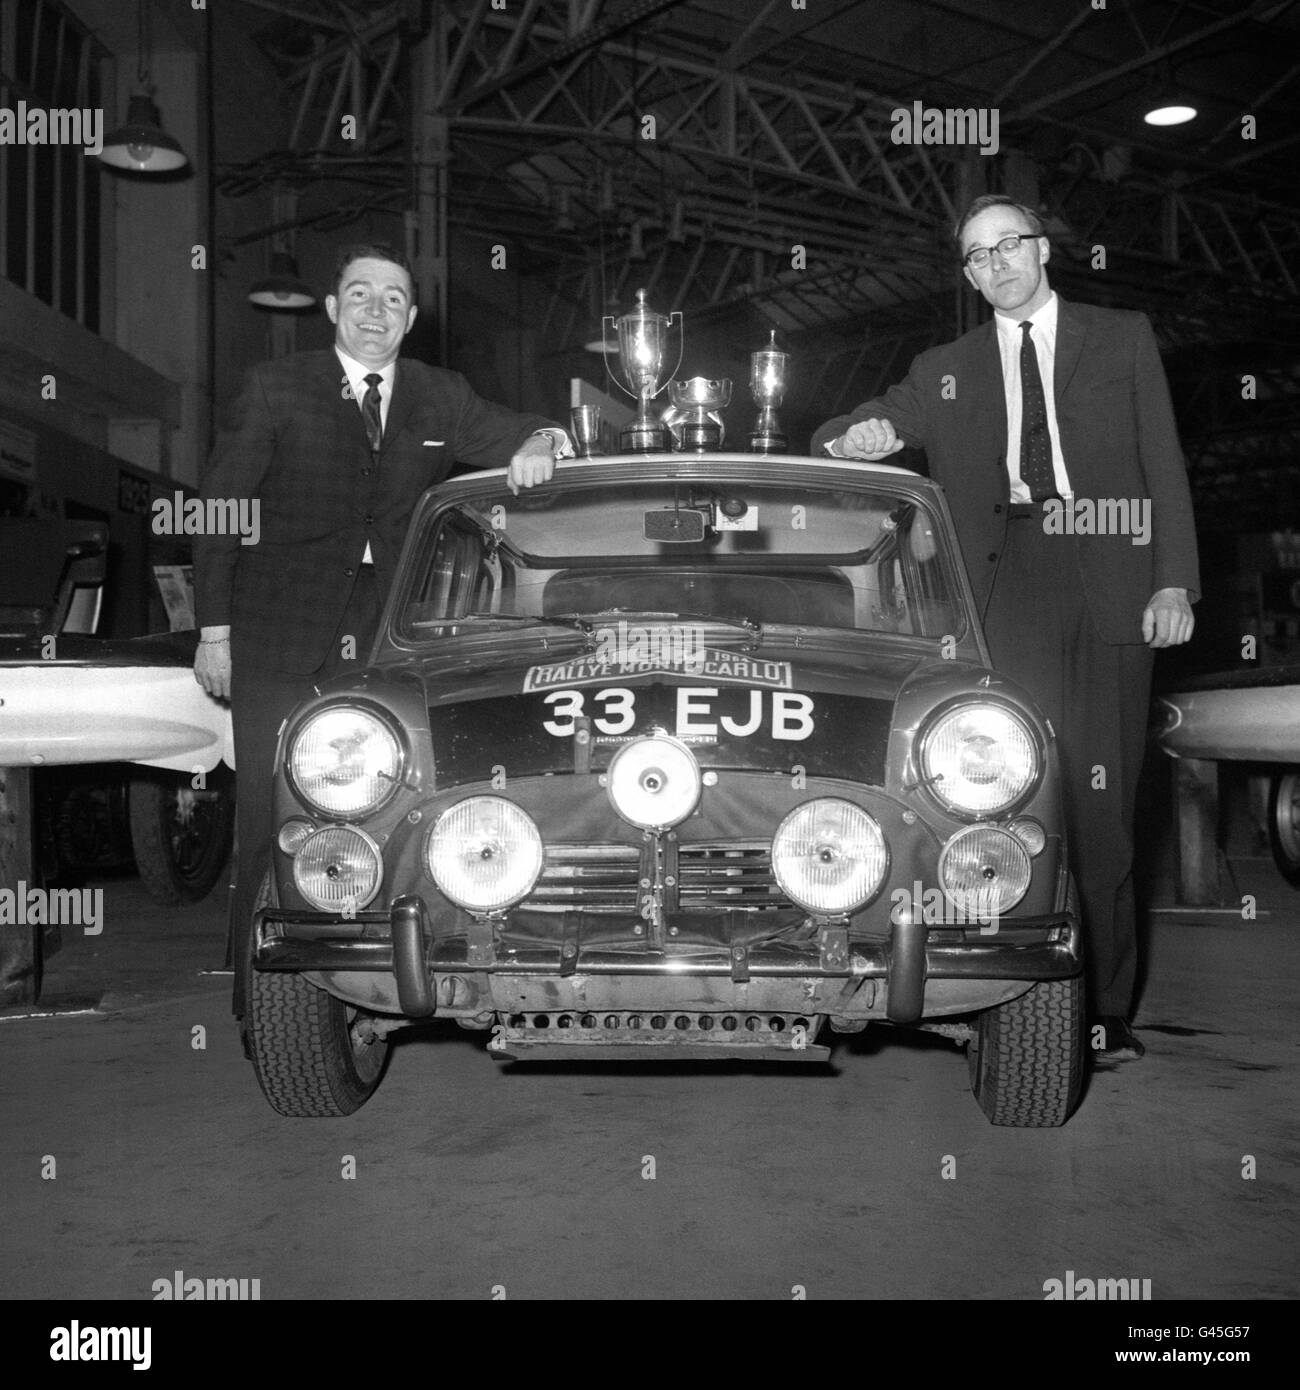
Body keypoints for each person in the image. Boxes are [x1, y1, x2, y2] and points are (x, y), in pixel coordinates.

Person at [811, 194, 1199, 1062]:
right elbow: (841, 430)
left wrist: (1175, 582)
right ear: (968, 274)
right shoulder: (946, 364)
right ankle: (1003, 995)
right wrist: (856, 439)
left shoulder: (1120, 335)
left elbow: (1163, 463)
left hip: (1110, 569)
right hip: (1000, 592)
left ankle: (1104, 1009)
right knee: (1002, 799)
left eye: (1009, 246)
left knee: (1099, 809)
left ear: (1044, 250)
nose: (997, 265)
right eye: (978, 257)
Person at [193, 241, 569, 1019]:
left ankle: (374, 980)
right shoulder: (275, 387)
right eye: (359, 295)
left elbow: (522, 428)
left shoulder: (440, 394)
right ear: (331, 310)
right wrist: (214, 632)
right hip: (277, 628)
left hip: (386, 635)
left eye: (392, 299)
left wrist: (541, 444)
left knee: (383, 801)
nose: (375, 311)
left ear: (411, 318)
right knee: (273, 812)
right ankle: (261, 997)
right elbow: (217, 514)